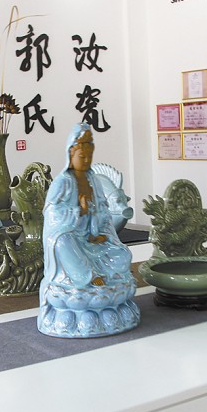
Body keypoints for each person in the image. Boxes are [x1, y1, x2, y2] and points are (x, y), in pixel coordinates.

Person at [38, 123, 139, 338]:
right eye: (81, 156)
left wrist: (101, 233)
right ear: (71, 155)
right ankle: (89, 278)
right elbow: (52, 215)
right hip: (71, 240)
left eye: (89, 156)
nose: (86, 161)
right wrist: (78, 211)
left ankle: (105, 280)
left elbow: (104, 214)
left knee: (122, 254)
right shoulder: (63, 182)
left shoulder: (93, 180)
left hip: (91, 241)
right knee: (63, 242)